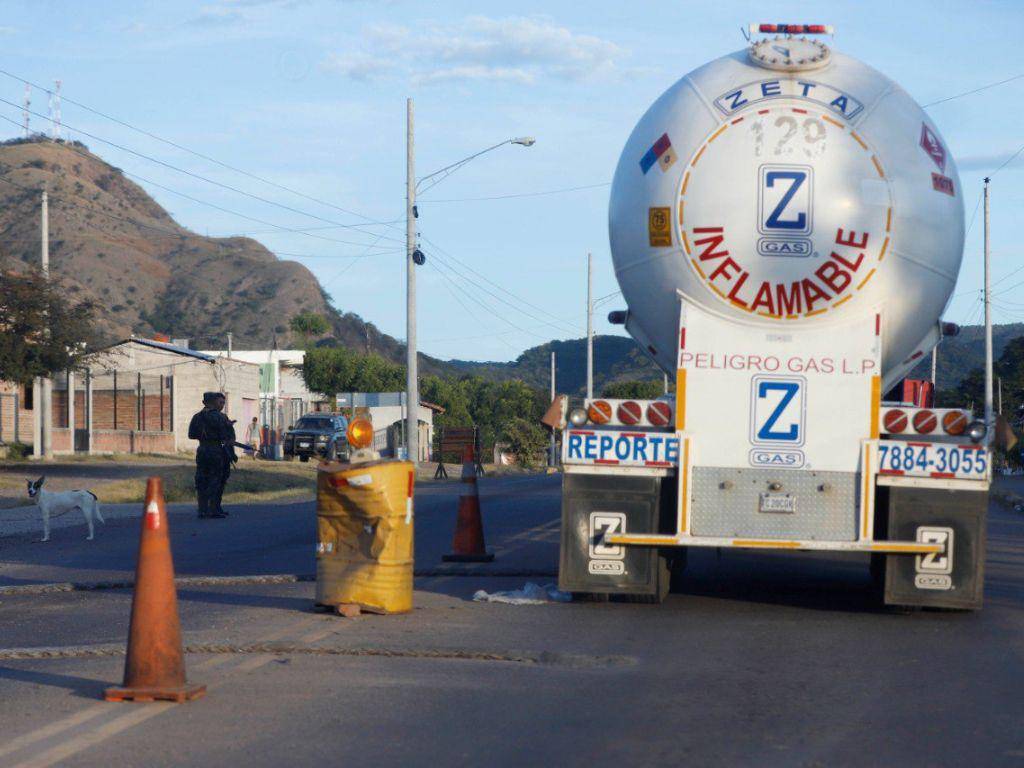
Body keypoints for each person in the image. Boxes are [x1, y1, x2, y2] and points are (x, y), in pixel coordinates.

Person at [187, 392, 237, 519]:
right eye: (220, 403)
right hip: (217, 450)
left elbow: (191, 434)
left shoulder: (197, 417)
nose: (222, 405)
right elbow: (228, 437)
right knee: (217, 479)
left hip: (203, 449)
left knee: (202, 479)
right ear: (213, 402)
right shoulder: (220, 417)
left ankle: (203, 509)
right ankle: (214, 508)